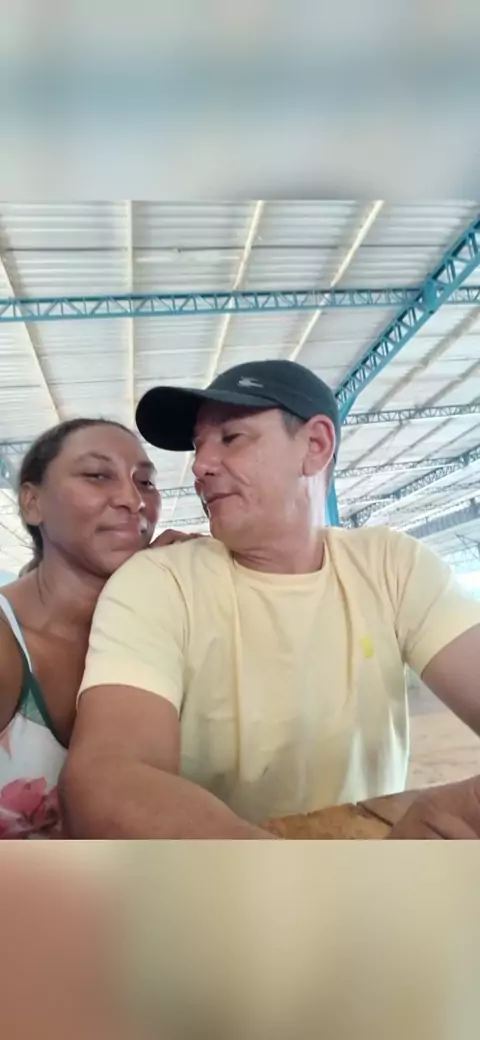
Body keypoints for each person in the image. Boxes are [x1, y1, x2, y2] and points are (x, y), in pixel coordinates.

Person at [63, 360, 480, 839]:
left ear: (315, 445)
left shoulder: (391, 565)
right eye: (199, 446)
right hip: (228, 881)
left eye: (231, 438)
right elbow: (106, 779)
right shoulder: (160, 583)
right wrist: (289, 873)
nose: (199, 466)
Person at [0, 418, 196, 838]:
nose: (132, 499)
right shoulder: (8, 644)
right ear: (33, 503)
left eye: (145, 482)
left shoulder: (164, 628)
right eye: (97, 475)